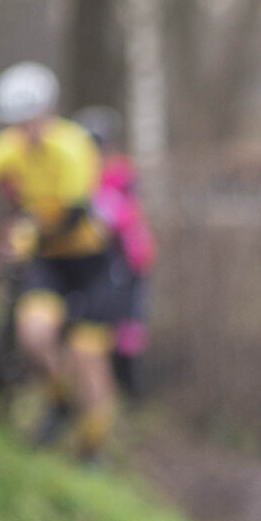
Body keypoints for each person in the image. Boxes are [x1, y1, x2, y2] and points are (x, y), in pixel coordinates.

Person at [0, 64, 122, 456]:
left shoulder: (73, 146)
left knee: (87, 356)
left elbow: (73, 213)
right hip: (47, 261)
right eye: (14, 123)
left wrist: (30, 229)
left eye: (29, 120)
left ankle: (94, 446)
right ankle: (59, 402)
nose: (23, 131)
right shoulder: (7, 147)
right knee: (33, 335)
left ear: (46, 112)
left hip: (90, 263)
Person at [72, 108, 156, 398]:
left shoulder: (121, 173)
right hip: (99, 259)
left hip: (127, 259)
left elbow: (124, 216)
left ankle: (130, 390)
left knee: (127, 327)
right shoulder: (82, 174)